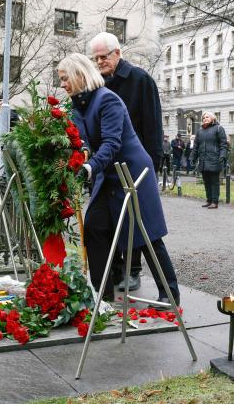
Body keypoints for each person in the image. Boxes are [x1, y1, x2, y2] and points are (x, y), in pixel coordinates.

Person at [58, 53, 180, 305]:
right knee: (94, 226)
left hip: (132, 173)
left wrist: (89, 167)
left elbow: (112, 143)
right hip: (108, 175)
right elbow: (80, 143)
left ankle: (169, 294)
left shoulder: (107, 100)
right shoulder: (78, 105)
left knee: (147, 235)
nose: (62, 85)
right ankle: (103, 294)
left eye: (64, 79)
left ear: (80, 75)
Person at [89, 32, 164, 292]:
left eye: (104, 57)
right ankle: (118, 270)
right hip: (108, 165)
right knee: (109, 221)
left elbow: (152, 126)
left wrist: (153, 165)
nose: (99, 62)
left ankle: (133, 270)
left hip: (134, 162)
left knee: (137, 221)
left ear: (117, 53)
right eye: (96, 58)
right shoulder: (98, 84)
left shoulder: (140, 80)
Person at [190, 111, 228, 209]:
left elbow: (223, 144)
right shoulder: (200, 131)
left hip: (215, 159)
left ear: (212, 118)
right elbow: (196, 146)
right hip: (203, 160)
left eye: (207, 117)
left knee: (214, 182)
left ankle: (215, 202)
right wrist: (192, 157)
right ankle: (209, 200)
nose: (205, 119)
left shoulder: (219, 128)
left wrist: (222, 155)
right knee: (206, 181)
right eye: (203, 118)